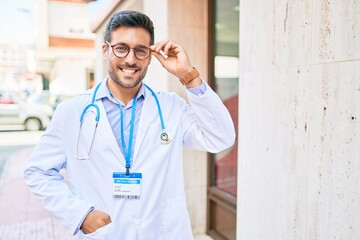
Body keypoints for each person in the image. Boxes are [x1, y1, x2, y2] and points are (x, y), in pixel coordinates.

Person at [24, 10, 235, 240]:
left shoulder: (170, 108)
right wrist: (79, 214)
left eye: (141, 50)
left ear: (150, 56)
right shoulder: (72, 112)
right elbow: (38, 171)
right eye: (121, 48)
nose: (131, 59)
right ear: (105, 50)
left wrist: (189, 76)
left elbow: (220, 137)